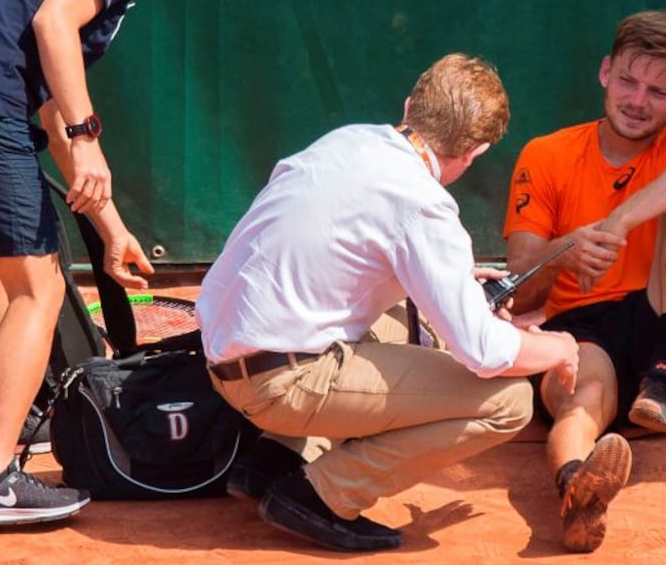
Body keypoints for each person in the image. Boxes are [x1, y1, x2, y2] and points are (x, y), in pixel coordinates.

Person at [195, 52, 581, 552]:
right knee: (508, 401)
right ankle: (320, 495)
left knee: (408, 320)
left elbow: (336, 249)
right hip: (277, 384)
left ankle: (273, 460)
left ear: (410, 107)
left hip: (224, 358)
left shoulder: (347, 140)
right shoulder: (424, 203)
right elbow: (485, 353)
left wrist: (457, 281)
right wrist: (558, 347)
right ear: (477, 150)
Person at [0, 0, 195, 525]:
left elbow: (55, 115)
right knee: (41, 287)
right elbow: (53, 23)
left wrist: (113, 230)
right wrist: (90, 142)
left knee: (3, 266)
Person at [501, 8, 666, 552]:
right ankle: (575, 488)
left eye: (659, 92)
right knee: (583, 396)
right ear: (605, 72)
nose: (638, 101)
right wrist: (566, 249)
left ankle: (663, 379)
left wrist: (619, 221)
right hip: (583, 328)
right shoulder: (546, 154)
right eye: (629, 82)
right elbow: (518, 290)